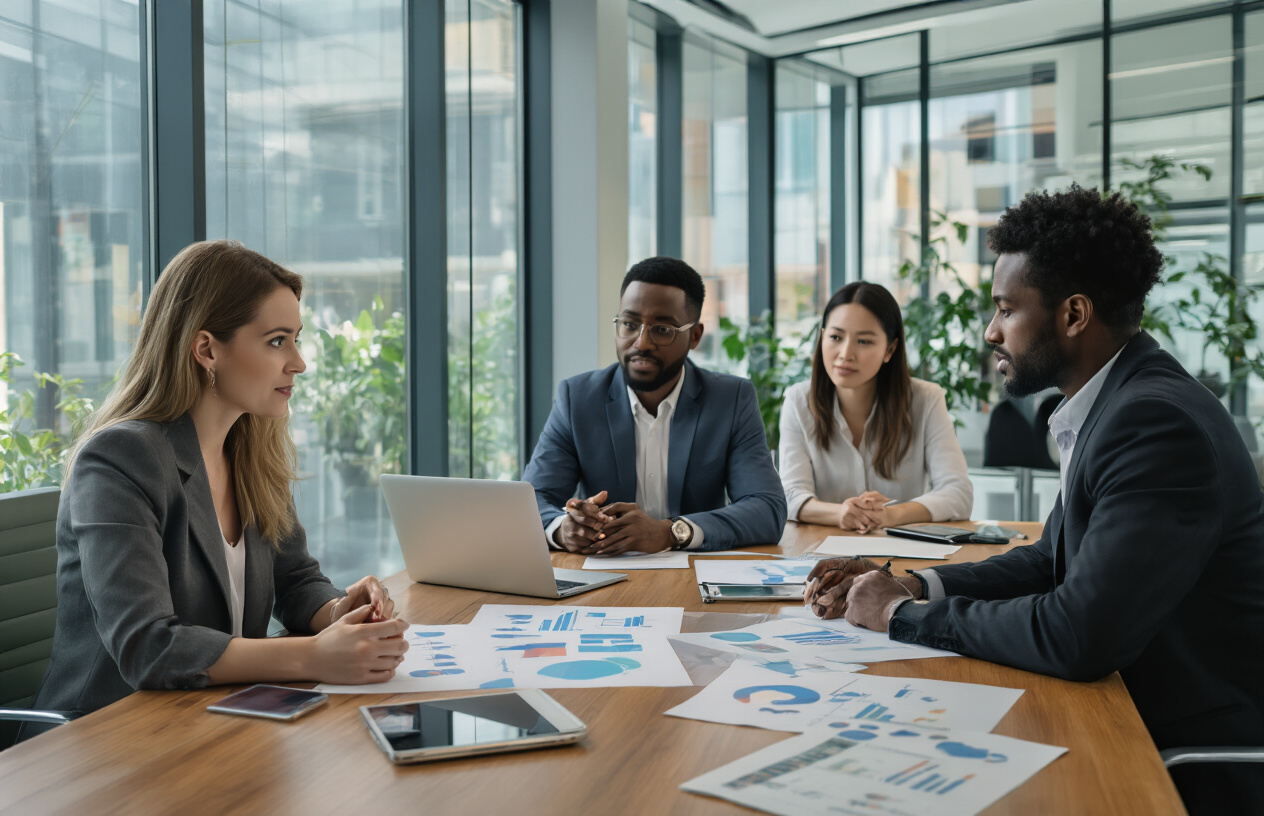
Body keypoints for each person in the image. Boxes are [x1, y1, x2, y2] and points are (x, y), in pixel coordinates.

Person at [805, 185, 1264, 815]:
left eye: (1004, 310)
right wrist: (915, 586)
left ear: (1074, 314)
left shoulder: (1153, 424)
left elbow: (1078, 634)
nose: (991, 331)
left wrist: (897, 618)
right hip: (1126, 702)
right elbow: (1050, 558)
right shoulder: (1116, 402)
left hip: (1175, 744)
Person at [28, 241, 409, 728]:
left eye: (296, 338)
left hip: (215, 718)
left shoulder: (250, 448)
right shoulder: (119, 459)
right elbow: (147, 646)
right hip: (107, 737)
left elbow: (295, 582)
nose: (299, 362)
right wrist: (313, 655)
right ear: (206, 348)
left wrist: (339, 612)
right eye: (277, 341)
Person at [521, 256, 787, 554]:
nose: (642, 342)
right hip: (601, 578)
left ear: (694, 336)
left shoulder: (731, 399)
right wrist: (563, 529)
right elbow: (532, 499)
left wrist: (671, 532)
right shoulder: (578, 398)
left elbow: (767, 509)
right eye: (630, 324)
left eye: (662, 329)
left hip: (694, 580)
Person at [779, 282, 972, 532]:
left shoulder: (926, 399)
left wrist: (890, 515)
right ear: (822, 337)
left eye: (864, 341)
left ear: (890, 349)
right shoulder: (798, 400)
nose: (845, 354)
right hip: (819, 555)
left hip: (901, 557)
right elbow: (789, 495)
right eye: (836, 337)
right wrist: (841, 513)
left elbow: (958, 493)